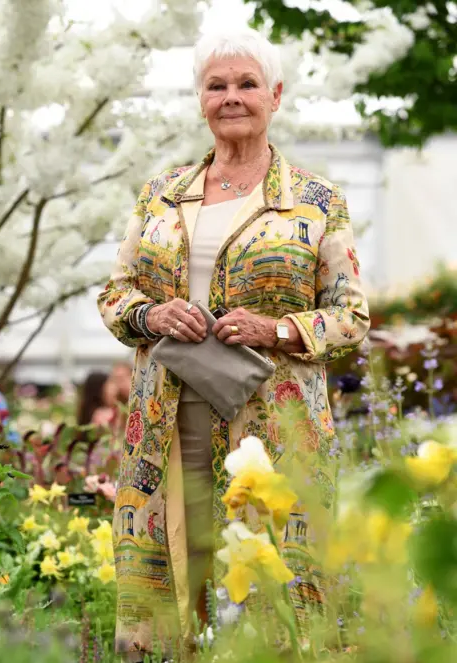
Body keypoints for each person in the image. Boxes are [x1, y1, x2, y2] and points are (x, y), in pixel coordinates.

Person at [97, 29, 370, 660]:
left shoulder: (317, 201)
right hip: (166, 421)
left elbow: (351, 315)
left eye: (247, 83)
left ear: (274, 95)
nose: (232, 97)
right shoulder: (159, 195)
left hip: (274, 425)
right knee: (178, 574)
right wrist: (153, 313)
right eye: (217, 85)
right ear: (200, 99)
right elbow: (114, 297)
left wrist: (274, 329)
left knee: (271, 576)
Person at [75, 372, 122, 474]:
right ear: (100, 389)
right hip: (105, 467)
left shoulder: (89, 413)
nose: (115, 388)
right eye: (111, 384)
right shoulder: (102, 415)